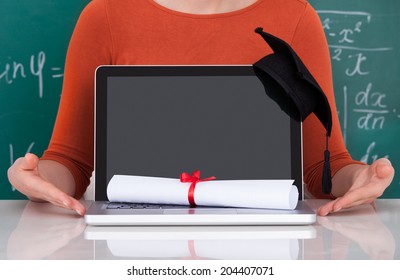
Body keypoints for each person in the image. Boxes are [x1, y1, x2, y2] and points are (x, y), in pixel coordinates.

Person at [7, 0, 394, 217]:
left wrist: (357, 179)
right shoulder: (106, 15)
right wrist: (39, 178)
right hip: (133, 249)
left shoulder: (293, 17)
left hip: (267, 246)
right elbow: (71, 161)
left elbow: (321, 170)